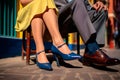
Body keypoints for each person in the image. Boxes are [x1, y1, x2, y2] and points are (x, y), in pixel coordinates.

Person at [15, 0, 82, 71]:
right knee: (41, 3)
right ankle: (58, 44)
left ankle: (41, 51)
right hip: (27, 11)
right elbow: (23, 1)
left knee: (44, 5)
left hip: (44, 12)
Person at [54, 0, 120, 66]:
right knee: (77, 1)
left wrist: (93, 6)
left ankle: (90, 54)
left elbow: (85, 5)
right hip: (59, 18)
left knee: (101, 11)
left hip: (78, 17)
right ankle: (93, 49)